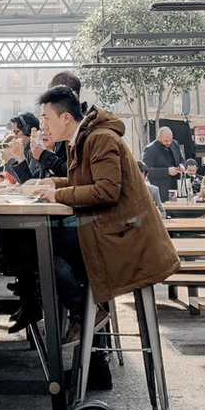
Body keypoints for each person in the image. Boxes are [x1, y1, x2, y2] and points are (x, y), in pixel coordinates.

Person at [29, 86, 181, 345]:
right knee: (35, 240)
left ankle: (83, 311)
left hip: (125, 239)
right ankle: (77, 310)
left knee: (35, 244)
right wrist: (55, 184)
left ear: (65, 118)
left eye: (46, 118)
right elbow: (89, 182)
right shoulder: (85, 138)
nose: (44, 125)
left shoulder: (100, 138)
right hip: (111, 229)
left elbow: (106, 191)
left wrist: (59, 195)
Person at [142, 127, 185, 202]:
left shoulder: (174, 144)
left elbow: (181, 159)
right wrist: (167, 171)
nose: (168, 143)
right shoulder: (150, 150)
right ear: (159, 137)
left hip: (176, 186)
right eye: (166, 141)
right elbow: (147, 171)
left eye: (170, 140)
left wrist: (181, 165)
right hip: (161, 189)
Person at [3, 112, 40, 183]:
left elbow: (28, 182)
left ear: (28, 130)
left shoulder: (35, 151)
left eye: (16, 132)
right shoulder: (26, 150)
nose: (14, 137)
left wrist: (10, 161)